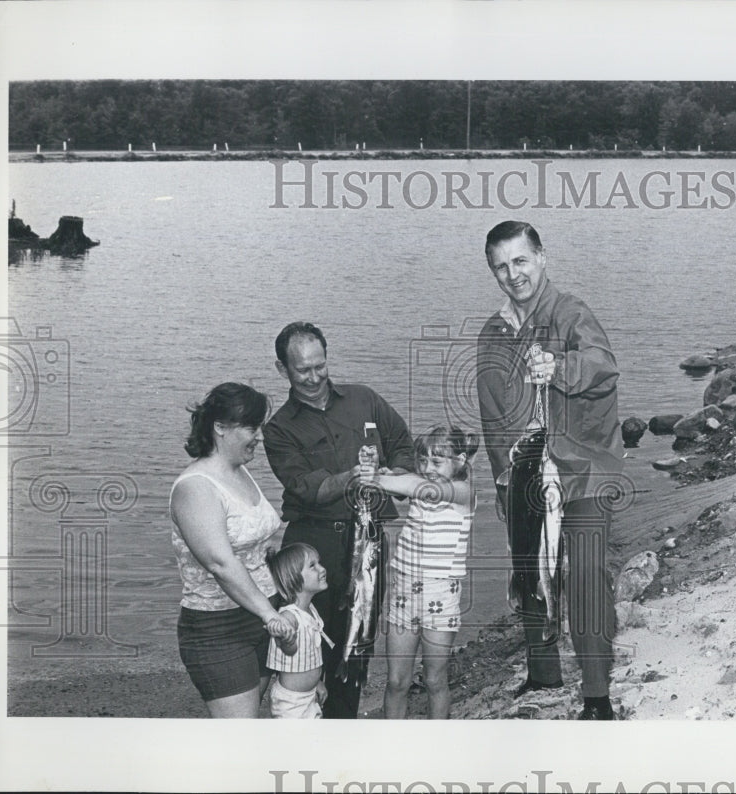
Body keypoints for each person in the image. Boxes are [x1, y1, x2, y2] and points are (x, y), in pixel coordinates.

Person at [476, 220, 623, 720]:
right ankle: (542, 671)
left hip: (583, 468)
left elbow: (603, 367)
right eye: (501, 266)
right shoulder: (492, 332)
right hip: (524, 472)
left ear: (542, 258)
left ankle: (598, 696)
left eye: (520, 261)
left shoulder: (571, 312)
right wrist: (502, 480)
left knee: (583, 575)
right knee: (528, 570)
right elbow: (492, 415)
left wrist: (559, 368)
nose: (512, 274)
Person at [262, 321, 415, 719]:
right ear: (283, 371)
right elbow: (307, 487)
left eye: (320, 366)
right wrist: (352, 476)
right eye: (303, 370)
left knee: (357, 641)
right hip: (314, 548)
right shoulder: (278, 429)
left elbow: (401, 440)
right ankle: (300, 726)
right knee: (309, 646)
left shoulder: (364, 400)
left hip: (369, 543)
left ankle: (342, 732)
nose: (314, 378)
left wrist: (393, 478)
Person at [171, 382, 297, 718]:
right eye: (251, 427)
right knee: (240, 738)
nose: (259, 436)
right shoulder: (195, 487)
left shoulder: (240, 473)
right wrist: (268, 614)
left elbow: (259, 550)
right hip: (218, 628)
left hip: (263, 618)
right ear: (220, 428)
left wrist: (288, 604)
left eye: (259, 426)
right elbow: (220, 562)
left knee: (251, 722)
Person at [373, 426, 479, 719]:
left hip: (440, 597)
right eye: (423, 461)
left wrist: (378, 479)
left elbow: (421, 488)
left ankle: (437, 743)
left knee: (434, 679)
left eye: (437, 461)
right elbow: (405, 484)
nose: (428, 469)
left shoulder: (463, 492)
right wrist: (385, 473)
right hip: (403, 594)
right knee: (397, 681)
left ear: (460, 460)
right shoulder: (418, 484)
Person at [264, 543, 335, 719]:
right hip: (292, 703)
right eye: (312, 566)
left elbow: (308, 654)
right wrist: (283, 635)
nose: (322, 569)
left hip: (309, 696)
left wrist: (316, 683)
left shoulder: (309, 609)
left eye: (319, 563)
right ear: (293, 578)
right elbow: (290, 649)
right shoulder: (290, 616)